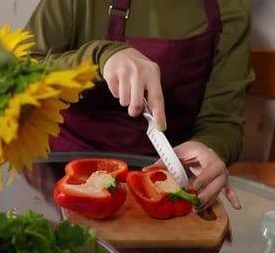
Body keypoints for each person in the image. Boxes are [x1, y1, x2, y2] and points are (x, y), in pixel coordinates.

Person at [24, 0, 254, 212]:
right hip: (60, 174)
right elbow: (18, 77)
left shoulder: (229, 7)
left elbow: (223, 120)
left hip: (162, 185)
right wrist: (99, 58)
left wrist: (209, 146)